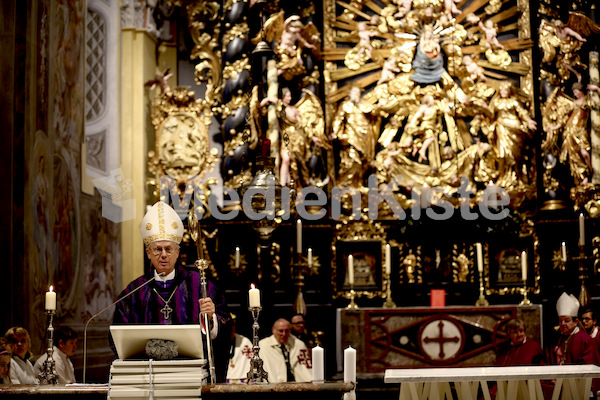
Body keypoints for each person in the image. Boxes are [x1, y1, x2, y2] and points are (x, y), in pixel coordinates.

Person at [112, 201, 232, 382]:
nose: (163, 255)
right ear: (148, 253)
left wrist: (211, 318)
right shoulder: (134, 291)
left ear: (177, 252)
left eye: (168, 249)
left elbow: (225, 325)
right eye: (157, 249)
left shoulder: (200, 286)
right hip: (147, 377)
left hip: (191, 376)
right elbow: (117, 337)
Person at [547, 293, 600, 394]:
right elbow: (547, 360)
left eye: (566, 321)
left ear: (575, 322)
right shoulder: (557, 338)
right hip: (556, 384)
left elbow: (588, 366)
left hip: (577, 385)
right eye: (560, 321)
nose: (563, 324)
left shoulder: (585, 340)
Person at [259, 318, 312, 382]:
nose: (284, 334)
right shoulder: (263, 345)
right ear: (273, 330)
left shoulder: (298, 344)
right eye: (281, 331)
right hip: (273, 386)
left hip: (297, 385)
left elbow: (305, 369)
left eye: (286, 331)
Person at [225, 314, 253, 383]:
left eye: (233, 325)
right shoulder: (216, 342)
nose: (231, 329)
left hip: (242, 381)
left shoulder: (244, 342)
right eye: (228, 326)